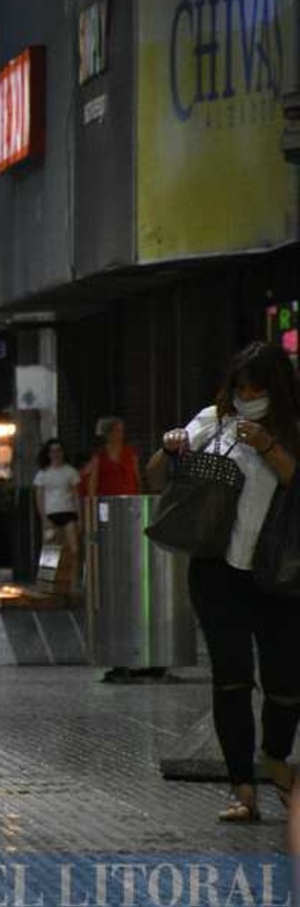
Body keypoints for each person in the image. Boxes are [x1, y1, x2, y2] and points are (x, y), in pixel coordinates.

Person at [150, 342, 300, 823]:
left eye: (257, 389)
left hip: (280, 574)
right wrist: (171, 446)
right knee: (231, 680)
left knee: (286, 682)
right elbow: (156, 475)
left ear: (276, 389)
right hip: (217, 572)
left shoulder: (292, 429)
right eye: (240, 388)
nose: (247, 398)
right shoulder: (213, 421)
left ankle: (275, 756)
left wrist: (269, 446)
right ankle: (242, 789)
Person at [33, 438, 81, 563]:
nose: (56, 454)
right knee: (50, 551)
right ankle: (48, 581)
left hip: (68, 512)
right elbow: (39, 498)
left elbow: (76, 495)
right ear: (48, 454)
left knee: (73, 549)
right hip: (51, 514)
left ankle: (73, 579)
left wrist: (80, 516)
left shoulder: (70, 472)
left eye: (59, 451)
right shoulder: (42, 474)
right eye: (53, 451)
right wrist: (44, 518)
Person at [82, 417, 140, 497]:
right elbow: (93, 482)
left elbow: (136, 478)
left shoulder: (131, 453)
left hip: (128, 497)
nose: (120, 434)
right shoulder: (99, 455)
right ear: (108, 434)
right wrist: (92, 500)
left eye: (122, 431)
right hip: (107, 498)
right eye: (117, 431)